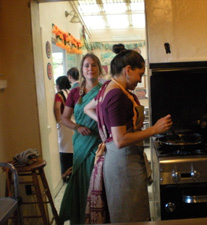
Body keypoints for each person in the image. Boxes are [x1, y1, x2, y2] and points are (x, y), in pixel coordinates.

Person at [84, 49, 172, 223]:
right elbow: (120, 140)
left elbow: (89, 108)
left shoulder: (107, 88)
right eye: (140, 74)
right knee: (131, 216)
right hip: (123, 164)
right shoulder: (116, 94)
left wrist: (108, 124)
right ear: (128, 69)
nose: (140, 79)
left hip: (120, 162)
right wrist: (154, 129)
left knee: (127, 214)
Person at [59, 53, 103, 224]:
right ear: (82, 70)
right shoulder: (75, 92)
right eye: (86, 66)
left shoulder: (105, 89)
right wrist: (77, 127)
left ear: (99, 68)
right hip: (80, 143)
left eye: (93, 65)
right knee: (79, 180)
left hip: (98, 144)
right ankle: (78, 218)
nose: (90, 68)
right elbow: (64, 118)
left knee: (96, 180)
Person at [53, 76, 73, 180]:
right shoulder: (72, 92)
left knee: (64, 148)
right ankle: (72, 172)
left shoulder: (59, 94)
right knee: (72, 148)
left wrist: (58, 121)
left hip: (64, 124)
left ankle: (65, 174)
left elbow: (57, 107)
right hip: (73, 122)